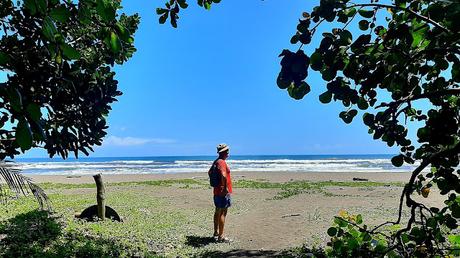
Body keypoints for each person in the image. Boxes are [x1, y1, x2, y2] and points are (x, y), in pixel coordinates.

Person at [211, 143, 232, 243]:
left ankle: (216, 233)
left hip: (216, 191)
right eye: (227, 151)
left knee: (217, 212)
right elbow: (224, 175)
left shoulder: (216, 162)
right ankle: (221, 236)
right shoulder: (222, 162)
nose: (228, 152)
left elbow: (209, 172)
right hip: (222, 192)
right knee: (223, 213)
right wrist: (224, 188)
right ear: (223, 152)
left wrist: (217, 185)